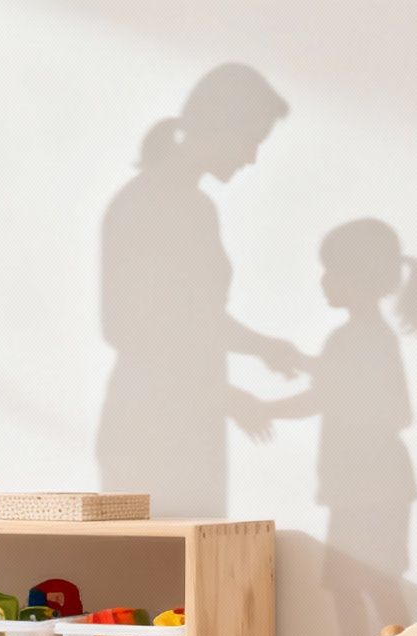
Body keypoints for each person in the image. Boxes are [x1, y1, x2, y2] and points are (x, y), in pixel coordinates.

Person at [97, 63, 299, 517]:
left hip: (188, 430)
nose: (251, 158)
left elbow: (193, 319)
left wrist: (262, 347)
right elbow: (136, 330)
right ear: (221, 127)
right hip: (149, 433)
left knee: (191, 579)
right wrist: (228, 396)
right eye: (251, 141)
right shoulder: (148, 205)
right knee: (158, 579)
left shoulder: (194, 206)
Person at [264, 218, 417, 636]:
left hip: (369, 484)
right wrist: (313, 371)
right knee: (353, 583)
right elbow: (340, 388)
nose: (323, 281)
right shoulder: (364, 338)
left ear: (358, 277)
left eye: (331, 271)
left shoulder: (359, 338)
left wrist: (264, 406)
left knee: (369, 580)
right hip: (367, 483)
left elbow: (342, 398)